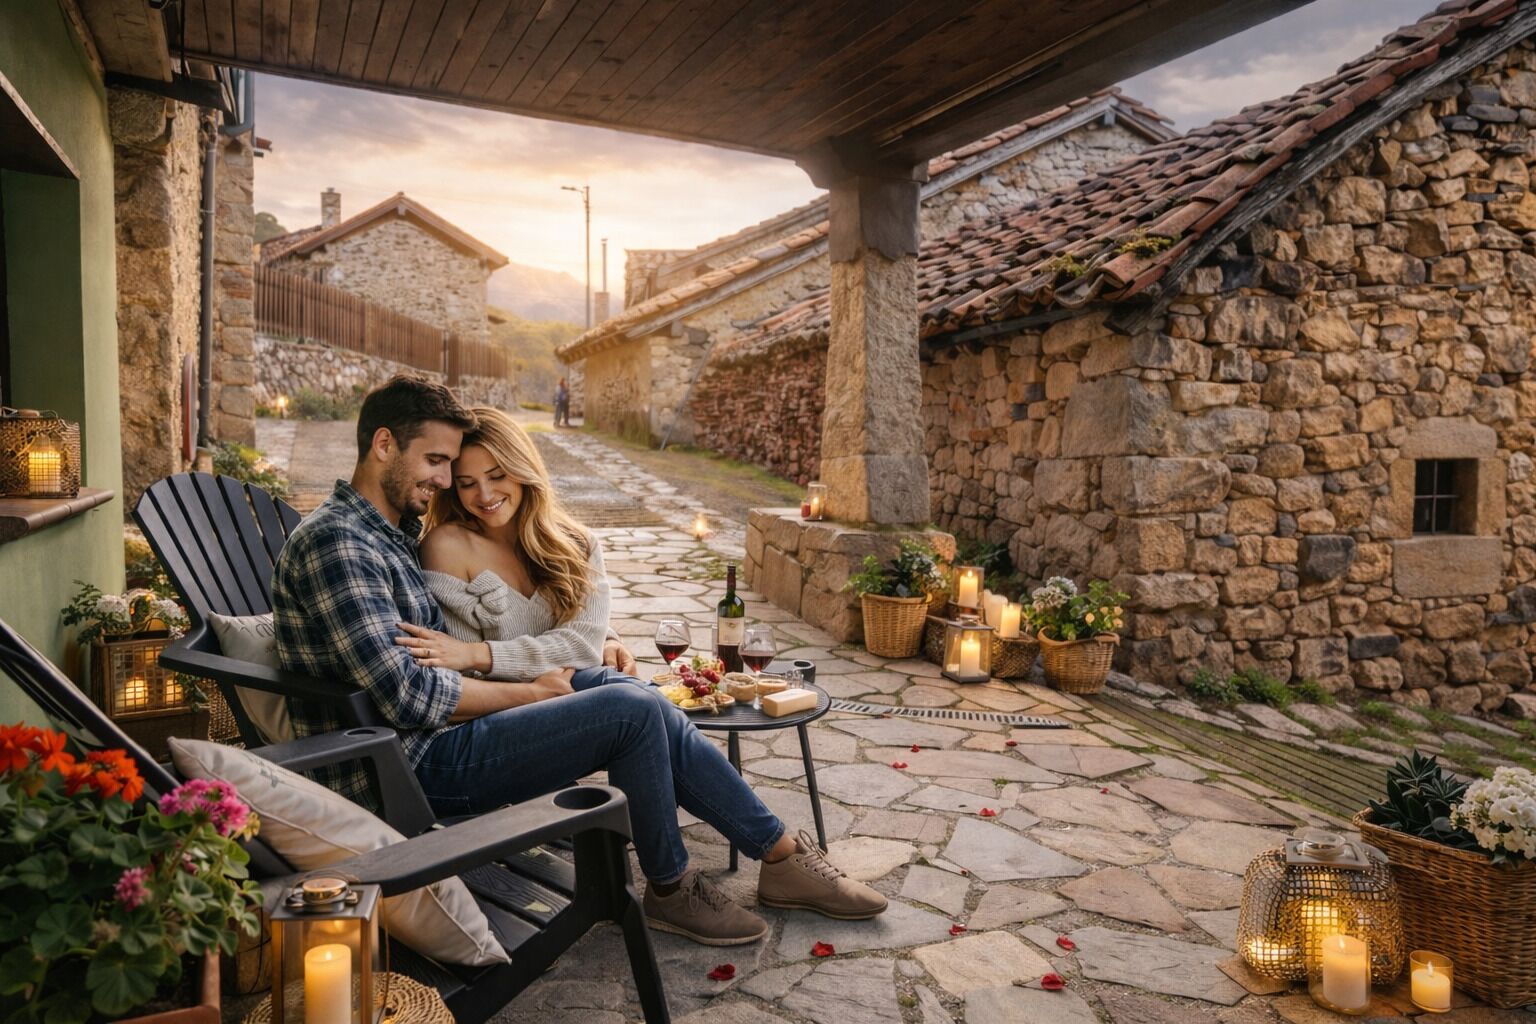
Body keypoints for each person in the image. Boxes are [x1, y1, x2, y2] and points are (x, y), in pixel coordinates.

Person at [272, 376, 885, 948]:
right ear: (384, 444)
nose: (444, 480)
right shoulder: (340, 542)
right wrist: (532, 692)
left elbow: (451, 660)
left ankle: (778, 856)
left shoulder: (386, 532)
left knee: (628, 692)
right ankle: (678, 885)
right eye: (438, 463)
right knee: (630, 708)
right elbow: (411, 696)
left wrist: (587, 644)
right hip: (408, 766)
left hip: (440, 735)